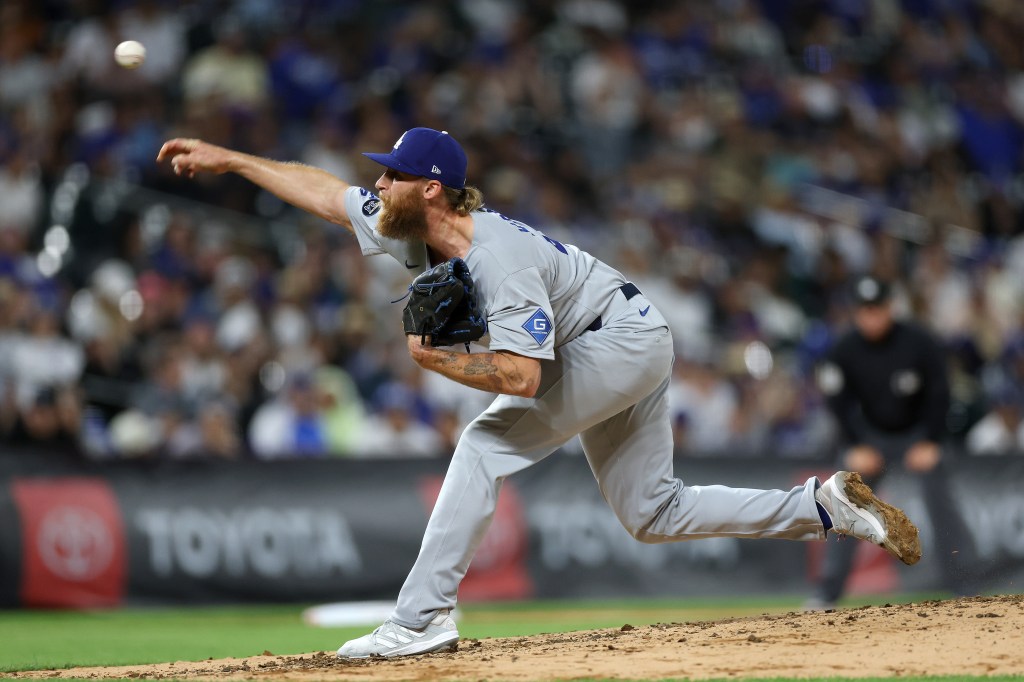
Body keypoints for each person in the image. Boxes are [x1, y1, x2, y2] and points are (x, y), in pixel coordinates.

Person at [157, 128, 922, 659]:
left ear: (432, 188)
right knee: (652, 512)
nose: (376, 184)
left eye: (390, 174)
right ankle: (822, 506)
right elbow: (326, 194)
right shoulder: (414, 226)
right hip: (623, 336)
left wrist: (436, 363)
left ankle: (419, 620)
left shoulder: (498, 256)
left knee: (484, 445)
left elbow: (522, 379)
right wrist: (232, 160)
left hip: (614, 341)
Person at [810, 275, 975, 609]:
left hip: (916, 432)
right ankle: (826, 593)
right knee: (844, 499)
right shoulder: (845, 348)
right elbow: (837, 401)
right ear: (855, 312)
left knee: (940, 499)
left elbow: (940, 392)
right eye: (864, 310)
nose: (871, 317)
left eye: (877, 309)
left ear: (890, 307)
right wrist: (855, 443)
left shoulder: (918, 341)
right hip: (870, 435)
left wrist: (930, 439)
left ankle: (965, 585)